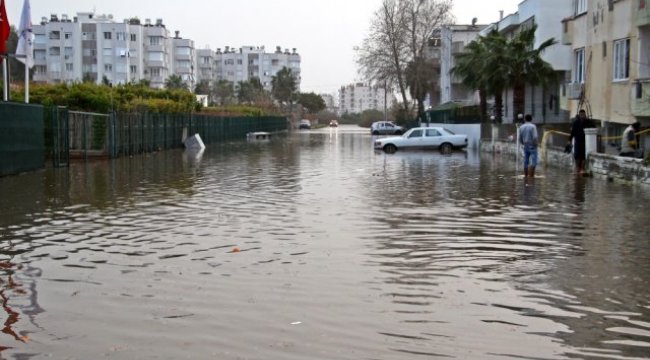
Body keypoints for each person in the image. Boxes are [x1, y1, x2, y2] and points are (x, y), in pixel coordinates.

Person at [568, 109, 594, 174]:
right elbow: (572, 132)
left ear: (585, 115)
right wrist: (569, 140)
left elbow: (593, 128)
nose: (582, 116)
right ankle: (577, 168)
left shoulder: (588, 122)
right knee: (576, 155)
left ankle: (582, 168)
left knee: (583, 155)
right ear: (579, 115)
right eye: (581, 115)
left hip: (584, 141)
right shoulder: (576, 123)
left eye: (583, 115)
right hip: (577, 141)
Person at [519, 114, 538, 178]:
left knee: (526, 161)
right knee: (534, 161)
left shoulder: (521, 127)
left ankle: (526, 176)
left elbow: (520, 138)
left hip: (525, 145)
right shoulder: (533, 126)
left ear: (525, 119)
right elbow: (535, 137)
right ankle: (531, 177)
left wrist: (522, 143)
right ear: (531, 119)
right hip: (532, 145)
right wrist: (535, 144)